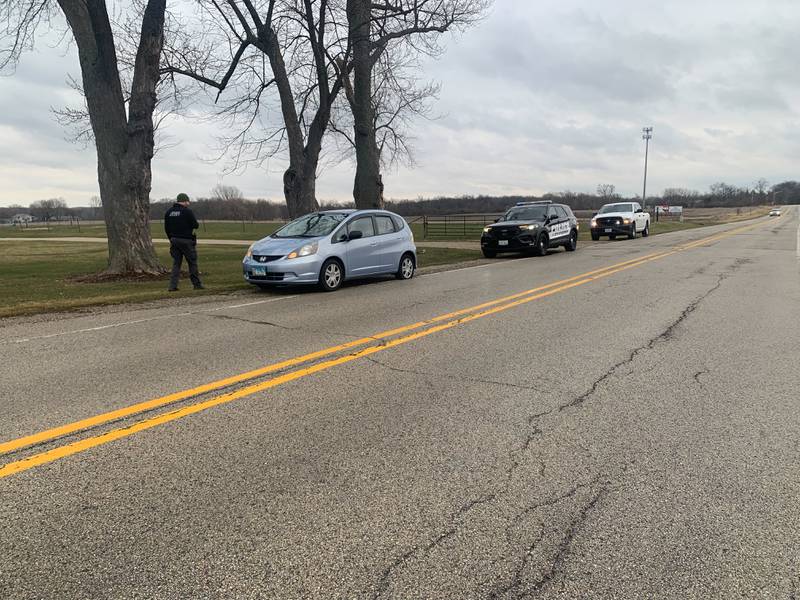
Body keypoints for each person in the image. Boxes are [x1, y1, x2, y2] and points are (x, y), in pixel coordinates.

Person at [164, 193, 204, 291]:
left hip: (174, 240)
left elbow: (166, 228)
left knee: (176, 263)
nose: (188, 203)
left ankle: (172, 286)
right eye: (188, 201)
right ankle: (196, 284)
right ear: (184, 201)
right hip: (186, 240)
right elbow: (195, 225)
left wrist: (171, 238)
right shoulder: (187, 212)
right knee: (192, 262)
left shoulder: (169, 212)